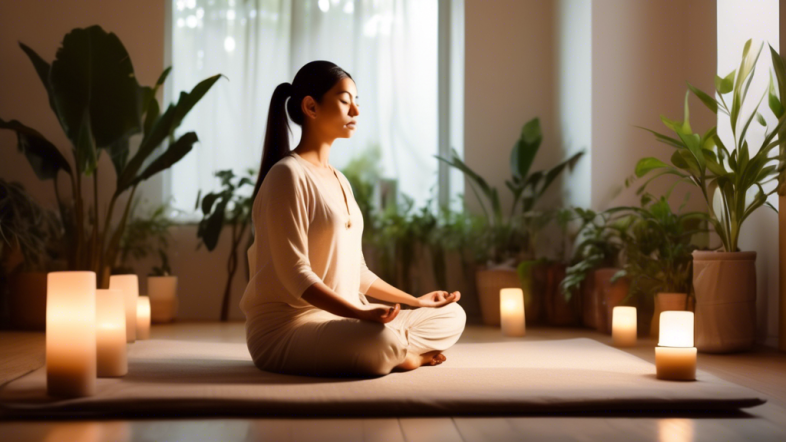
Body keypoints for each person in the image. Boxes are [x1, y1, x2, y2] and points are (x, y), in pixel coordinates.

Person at [240, 60, 466, 377]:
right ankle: (405, 355)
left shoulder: (340, 180)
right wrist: (362, 314)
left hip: (348, 319)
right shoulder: (286, 176)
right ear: (311, 107)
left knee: (452, 314)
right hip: (289, 328)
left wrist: (416, 302)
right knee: (379, 339)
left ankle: (395, 350)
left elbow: (358, 272)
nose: (356, 112)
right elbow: (296, 277)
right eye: (345, 101)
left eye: (356, 102)